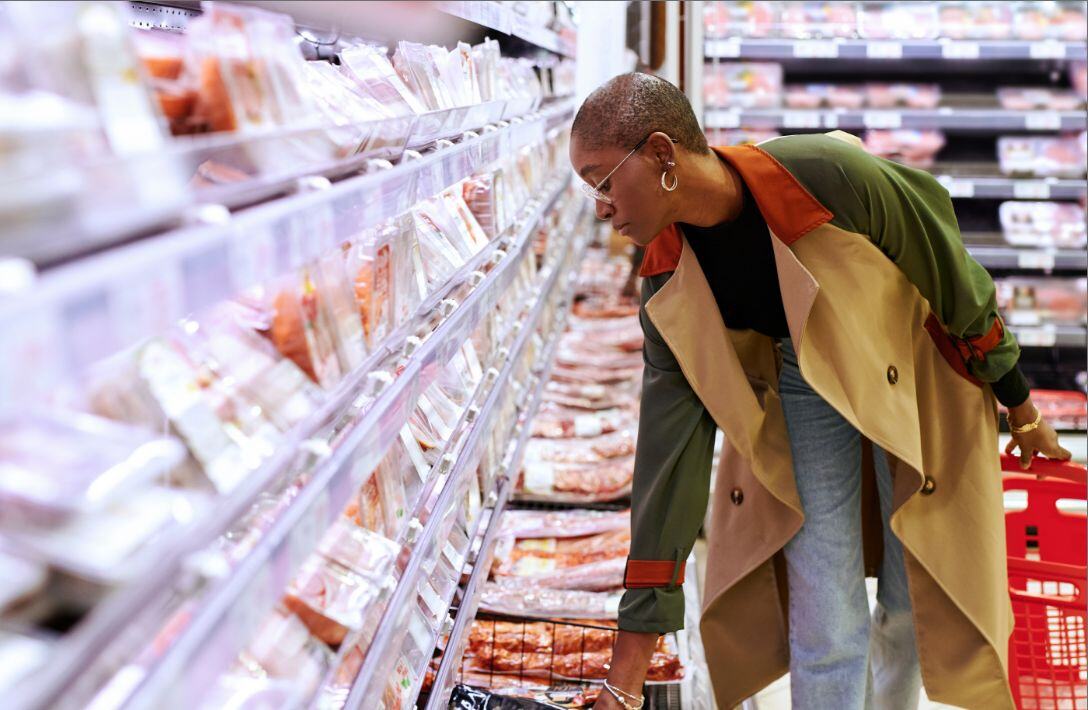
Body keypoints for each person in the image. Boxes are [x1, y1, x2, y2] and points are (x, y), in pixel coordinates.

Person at [568, 73, 1071, 710]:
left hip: (917, 374)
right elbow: (667, 469)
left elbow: (955, 279)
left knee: (914, 592)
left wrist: (1021, 409)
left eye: (603, 180)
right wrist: (626, 677)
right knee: (824, 605)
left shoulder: (827, 175)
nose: (601, 207)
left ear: (663, 155)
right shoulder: (668, 283)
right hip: (804, 379)